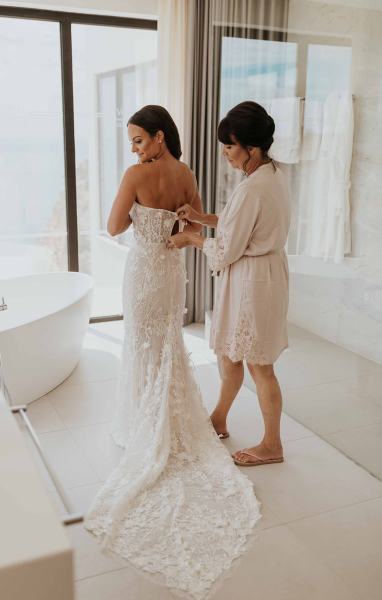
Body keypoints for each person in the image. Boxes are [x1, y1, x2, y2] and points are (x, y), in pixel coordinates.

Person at [84, 105, 261, 600]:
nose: (135, 149)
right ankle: (169, 418)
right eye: (132, 143)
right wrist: (174, 228)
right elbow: (197, 231)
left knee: (142, 346)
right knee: (166, 344)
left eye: (139, 140)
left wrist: (138, 198)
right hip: (169, 275)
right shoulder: (185, 173)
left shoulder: (135, 175)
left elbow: (114, 226)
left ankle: (147, 421)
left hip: (142, 273)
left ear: (160, 137)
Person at [167, 101, 291, 467]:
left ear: (251, 148)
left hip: (253, 281)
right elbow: (239, 224)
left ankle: (272, 444)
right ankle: (219, 417)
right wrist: (201, 217)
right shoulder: (272, 176)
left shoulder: (253, 188)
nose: (225, 155)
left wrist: (191, 238)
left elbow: (225, 251)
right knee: (230, 353)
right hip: (261, 274)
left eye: (229, 147)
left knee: (259, 365)